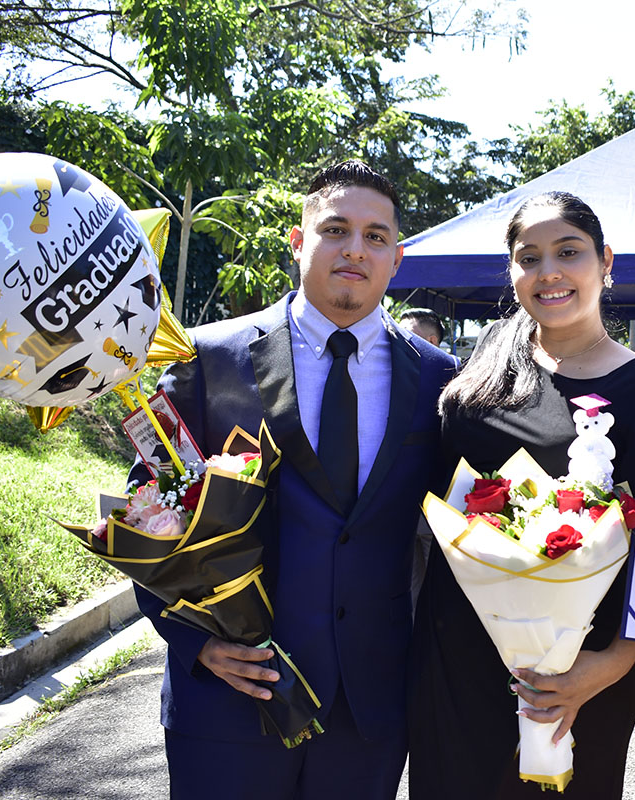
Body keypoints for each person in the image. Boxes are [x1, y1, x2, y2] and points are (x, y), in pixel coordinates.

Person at [132, 160, 458, 799]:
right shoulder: (207, 360)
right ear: (298, 241)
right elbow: (145, 511)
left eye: (376, 236)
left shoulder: (439, 379)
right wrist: (192, 641)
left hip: (369, 708)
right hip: (231, 693)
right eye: (336, 229)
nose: (354, 250)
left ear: (397, 257)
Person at [409, 191, 635, 799]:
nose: (548, 272)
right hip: (460, 657)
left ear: (605, 261)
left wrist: (611, 664)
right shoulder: (484, 366)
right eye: (527, 257)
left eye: (568, 252)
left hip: (580, 671)